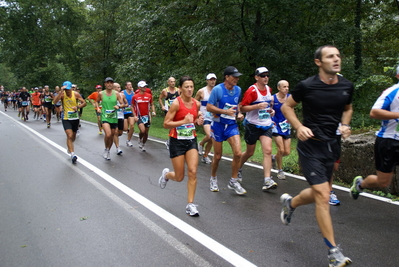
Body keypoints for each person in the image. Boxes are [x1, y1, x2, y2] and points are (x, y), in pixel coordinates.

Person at [280, 45, 353, 267]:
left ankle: (290, 203)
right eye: (330, 56)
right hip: (310, 146)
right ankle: (333, 252)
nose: (336, 59)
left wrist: (345, 124)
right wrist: (299, 127)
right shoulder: (307, 86)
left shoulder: (346, 86)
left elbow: (348, 108)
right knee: (323, 195)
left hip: (332, 145)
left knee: (321, 192)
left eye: (338, 56)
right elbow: (286, 107)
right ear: (318, 62)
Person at [350, 65, 399, 201]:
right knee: (383, 181)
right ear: (397, 76)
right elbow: (374, 112)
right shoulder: (392, 92)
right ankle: (361, 184)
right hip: (389, 140)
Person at [158, 76, 203, 216]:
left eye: (191, 87)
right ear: (180, 89)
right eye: (186, 87)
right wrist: (183, 121)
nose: (189, 89)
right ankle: (166, 175)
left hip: (191, 140)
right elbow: (166, 124)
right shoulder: (176, 104)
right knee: (179, 177)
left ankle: (190, 204)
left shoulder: (197, 104)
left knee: (193, 171)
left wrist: (198, 120)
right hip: (176, 141)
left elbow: (195, 118)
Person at [206, 66, 246, 195]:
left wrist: (239, 113)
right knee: (218, 156)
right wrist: (224, 111)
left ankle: (233, 181)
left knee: (238, 153)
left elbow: (237, 105)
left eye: (237, 77)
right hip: (218, 125)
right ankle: (213, 178)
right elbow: (209, 107)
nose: (237, 79)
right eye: (234, 76)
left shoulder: (238, 90)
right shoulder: (218, 89)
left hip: (231, 125)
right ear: (227, 77)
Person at [237, 67, 278, 191]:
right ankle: (237, 168)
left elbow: (268, 106)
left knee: (268, 151)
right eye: (262, 75)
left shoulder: (269, 89)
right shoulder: (252, 91)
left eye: (267, 75)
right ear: (256, 77)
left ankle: (267, 180)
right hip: (252, 124)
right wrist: (256, 106)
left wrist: (271, 111)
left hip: (266, 124)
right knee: (250, 152)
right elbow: (242, 108)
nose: (265, 77)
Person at [53, 81, 86, 164]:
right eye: (65, 89)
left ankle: (69, 146)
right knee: (69, 135)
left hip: (75, 118)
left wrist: (78, 107)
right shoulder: (62, 94)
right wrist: (60, 92)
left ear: (71, 88)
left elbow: (84, 103)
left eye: (68, 89)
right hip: (66, 117)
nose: (67, 91)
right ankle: (72, 154)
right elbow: (54, 102)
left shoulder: (76, 94)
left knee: (73, 137)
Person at [96, 77, 124, 160]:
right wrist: (98, 108)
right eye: (107, 83)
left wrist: (118, 106)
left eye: (111, 83)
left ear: (112, 84)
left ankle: (108, 150)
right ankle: (106, 148)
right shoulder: (101, 93)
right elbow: (96, 101)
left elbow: (123, 104)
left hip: (114, 117)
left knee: (111, 135)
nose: (109, 84)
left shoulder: (116, 94)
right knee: (108, 134)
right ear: (105, 84)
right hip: (105, 116)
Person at [195, 73, 217, 164]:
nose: (212, 81)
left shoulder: (218, 91)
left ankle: (205, 156)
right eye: (210, 79)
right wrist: (197, 113)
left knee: (213, 138)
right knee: (210, 135)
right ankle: (201, 144)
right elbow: (194, 102)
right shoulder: (201, 91)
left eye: (214, 79)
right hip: (205, 117)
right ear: (207, 81)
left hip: (215, 117)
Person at [272, 80, 291, 180]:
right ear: (279, 88)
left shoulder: (290, 97)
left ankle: (274, 157)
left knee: (287, 151)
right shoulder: (272, 98)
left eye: (287, 87)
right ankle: (280, 170)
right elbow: (268, 110)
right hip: (276, 125)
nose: (286, 89)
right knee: (281, 149)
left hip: (286, 125)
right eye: (284, 87)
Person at [132, 80, 156, 152]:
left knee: (146, 132)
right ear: (139, 87)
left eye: (145, 86)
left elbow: (152, 104)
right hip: (139, 116)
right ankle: (140, 138)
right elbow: (132, 106)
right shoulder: (135, 97)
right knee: (142, 131)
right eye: (143, 86)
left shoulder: (149, 96)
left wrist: (153, 111)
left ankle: (143, 144)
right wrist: (134, 116)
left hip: (147, 116)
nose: (145, 87)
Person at [113, 82, 128, 155]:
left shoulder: (122, 95)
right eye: (118, 87)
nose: (119, 89)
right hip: (113, 116)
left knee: (120, 132)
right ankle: (117, 148)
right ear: (113, 88)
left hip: (121, 115)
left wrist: (120, 106)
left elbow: (126, 103)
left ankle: (114, 137)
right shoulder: (109, 95)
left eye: (119, 87)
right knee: (115, 132)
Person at [123, 81, 137, 147]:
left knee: (132, 126)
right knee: (125, 128)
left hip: (131, 112)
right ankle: (128, 131)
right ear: (126, 86)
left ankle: (128, 140)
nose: (130, 86)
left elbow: (135, 101)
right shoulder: (123, 92)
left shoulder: (133, 93)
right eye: (128, 85)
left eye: (131, 85)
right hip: (124, 112)